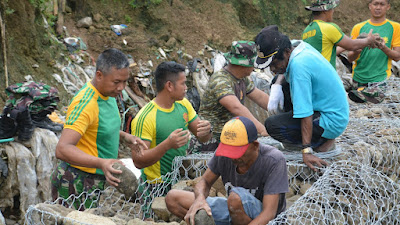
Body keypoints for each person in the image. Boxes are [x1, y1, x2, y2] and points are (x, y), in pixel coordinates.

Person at [51, 48, 148, 209]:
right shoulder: (86, 103)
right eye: (117, 82)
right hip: (75, 180)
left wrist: (125, 137)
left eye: (125, 81)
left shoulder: (108, 94)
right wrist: (102, 162)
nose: (122, 87)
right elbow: (62, 149)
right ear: (99, 75)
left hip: (93, 179)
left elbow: (97, 128)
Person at [255, 25, 349, 172]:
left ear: (286, 52)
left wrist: (306, 151)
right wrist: (277, 85)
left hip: (331, 119)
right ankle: (316, 137)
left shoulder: (299, 66)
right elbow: (281, 73)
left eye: (274, 64)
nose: (272, 69)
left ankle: (320, 142)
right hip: (327, 108)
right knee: (277, 81)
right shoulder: (296, 45)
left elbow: (305, 112)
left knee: (273, 126)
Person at [165, 116, 288, 225]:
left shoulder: (273, 160)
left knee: (235, 199)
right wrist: (199, 199)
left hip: (266, 219)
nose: (232, 157)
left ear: (255, 145)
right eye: (229, 151)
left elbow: (269, 214)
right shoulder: (224, 154)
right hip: (232, 210)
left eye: (237, 152)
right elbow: (205, 182)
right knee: (173, 198)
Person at [131, 61, 212, 184]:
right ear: (169, 86)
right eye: (183, 84)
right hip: (157, 184)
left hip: (180, 178)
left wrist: (206, 130)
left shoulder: (183, 104)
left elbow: (203, 137)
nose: (186, 88)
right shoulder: (145, 117)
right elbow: (138, 161)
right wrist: (167, 145)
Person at [198, 41, 270, 149]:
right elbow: (236, 107)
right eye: (252, 65)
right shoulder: (220, 80)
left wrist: (283, 110)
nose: (254, 69)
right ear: (244, 65)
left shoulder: (241, 79)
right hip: (211, 140)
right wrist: (262, 130)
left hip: (229, 136)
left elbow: (260, 97)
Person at [347, 0, 400, 104]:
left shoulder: (395, 27)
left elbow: (397, 57)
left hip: (380, 79)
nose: (378, 7)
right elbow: (350, 57)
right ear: (370, 6)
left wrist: (383, 47)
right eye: (375, 4)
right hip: (358, 77)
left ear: (388, 7)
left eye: (382, 4)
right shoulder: (358, 27)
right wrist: (359, 48)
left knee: (372, 100)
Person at [302, 0, 378, 69]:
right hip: (325, 74)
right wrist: (369, 40)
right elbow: (352, 45)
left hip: (313, 72)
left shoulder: (307, 30)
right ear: (325, 10)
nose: (333, 11)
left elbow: (325, 51)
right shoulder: (328, 27)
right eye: (332, 9)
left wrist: (344, 45)